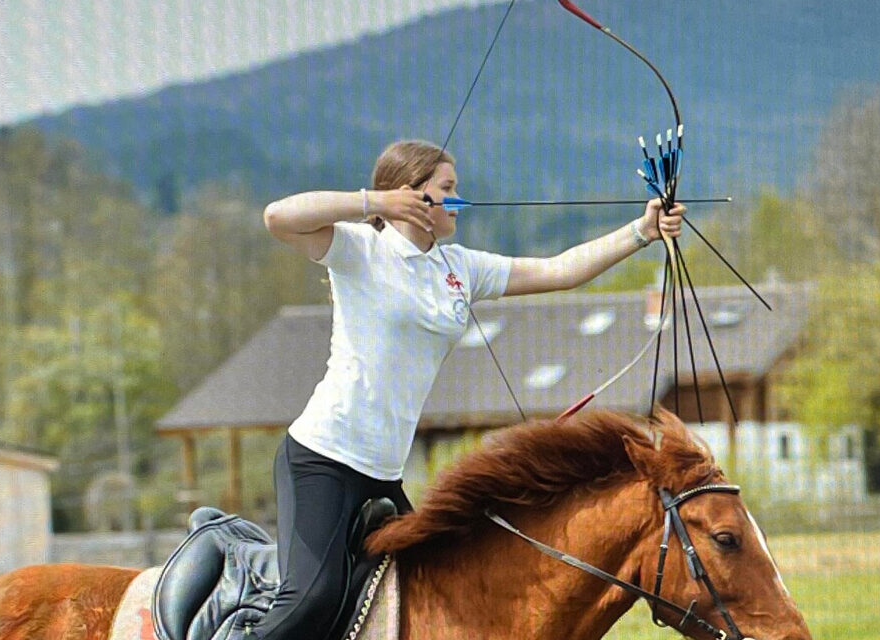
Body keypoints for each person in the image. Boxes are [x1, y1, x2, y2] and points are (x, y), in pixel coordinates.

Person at [250, 140, 685, 640]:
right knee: (312, 599)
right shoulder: (359, 250)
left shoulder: (458, 268)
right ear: (413, 197)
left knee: (432, 599)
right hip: (322, 459)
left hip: (383, 474)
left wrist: (642, 232)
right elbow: (277, 217)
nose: (458, 200)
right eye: (448, 189)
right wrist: (375, 202)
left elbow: (560, 270)